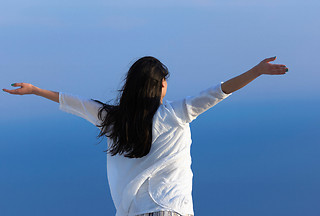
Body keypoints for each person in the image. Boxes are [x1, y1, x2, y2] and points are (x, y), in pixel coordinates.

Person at [2, 56, 288, 216]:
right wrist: (256, 71)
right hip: (170, 209)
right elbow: (220, 90)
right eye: (165, 81)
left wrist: (36, 90)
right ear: (160, 85)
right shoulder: (176, 113)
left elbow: (73, 102)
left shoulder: (114, 120)